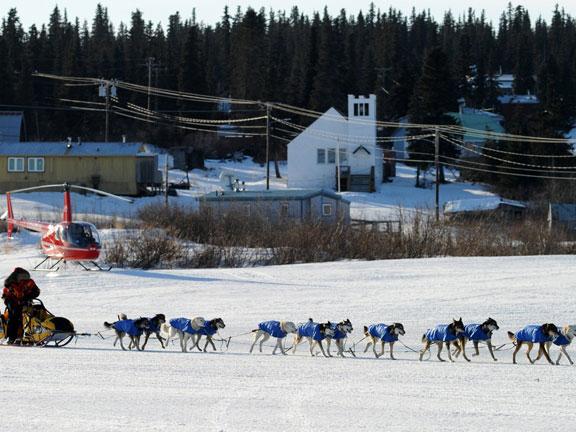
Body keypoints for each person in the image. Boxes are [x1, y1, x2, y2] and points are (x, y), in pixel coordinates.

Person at [2, 267, 40, 344]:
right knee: (14, 316)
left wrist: (28, 297)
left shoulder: (29, 282)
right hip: (12, 301)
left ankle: (33, 334)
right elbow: (7, 295)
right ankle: (12, 337)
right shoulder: (11, 283)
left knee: (35, 313)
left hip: (24, 301)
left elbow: (36, 291)